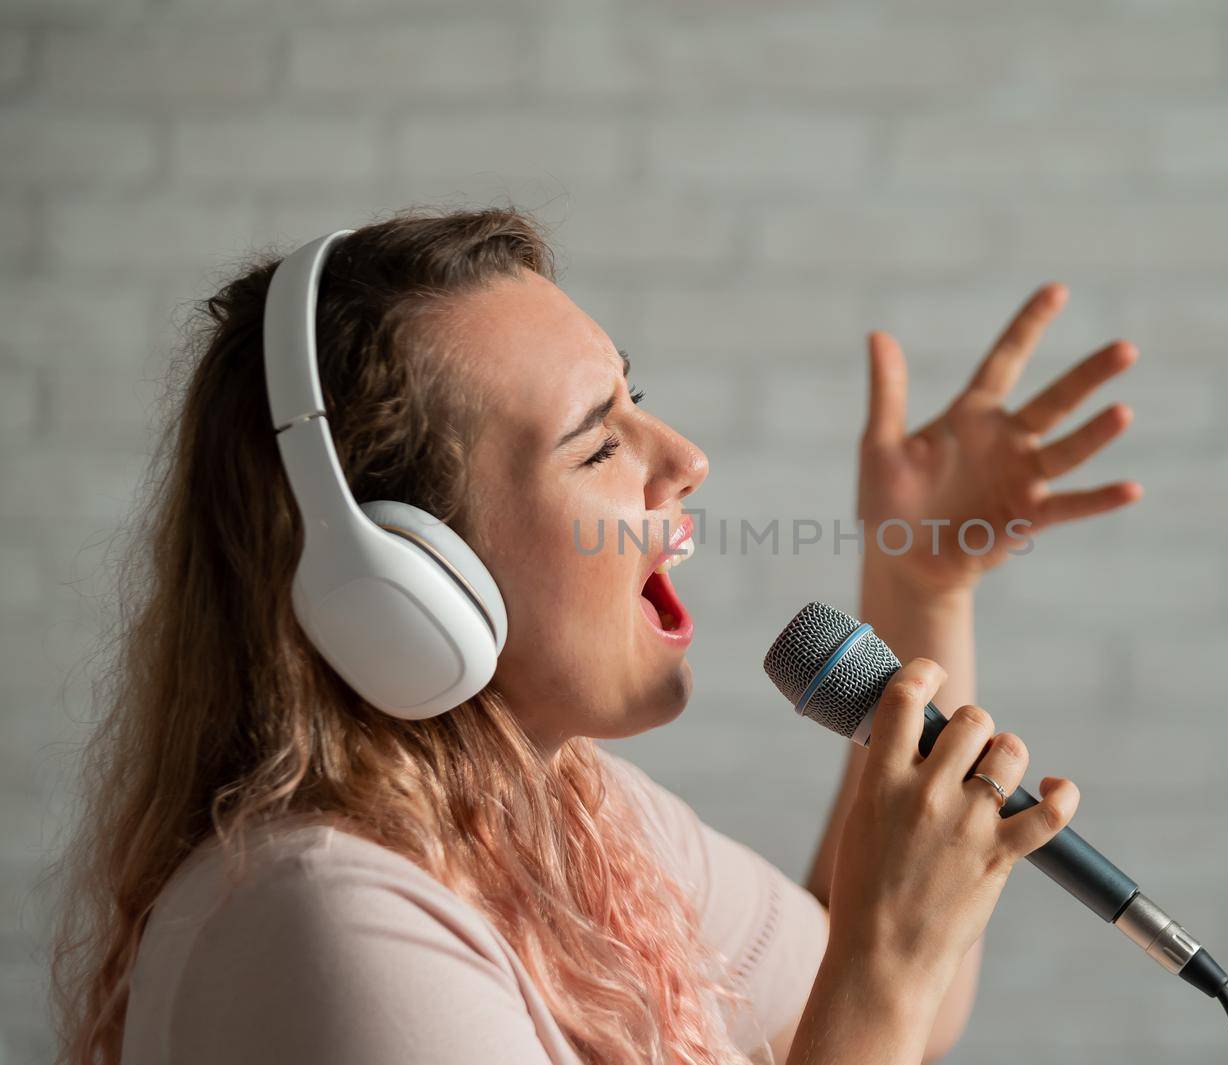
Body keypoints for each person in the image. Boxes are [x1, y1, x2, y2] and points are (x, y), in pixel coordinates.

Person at [48, 207, 1141, 1064]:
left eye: (638, 398)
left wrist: (917, 580)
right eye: (592, 445)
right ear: (399, 580)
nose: (685, 455)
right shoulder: (324, 921)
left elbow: (870, 1006)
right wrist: (888, 962)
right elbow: (880, 992)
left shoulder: (576, 818)